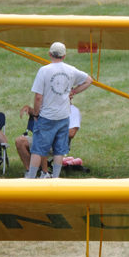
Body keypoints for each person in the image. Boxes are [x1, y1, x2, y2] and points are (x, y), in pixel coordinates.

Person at [25, 42, 91, 179]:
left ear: (49, 54)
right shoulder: (71, 70)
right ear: (64, 55)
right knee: (59, 150)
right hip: (63, 116)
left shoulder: (44, 70)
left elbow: (38, 97)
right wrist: (74, 91)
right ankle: (55, 178)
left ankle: (31, 178)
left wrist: (36, 114)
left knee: (38, 148)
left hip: (47, 116)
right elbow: (89, 80)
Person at [16, 101, 81, 171]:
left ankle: (44, 172)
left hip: (58, 144)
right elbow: (38, 114)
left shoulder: (73, 111)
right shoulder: (51, 106)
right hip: (43, 139)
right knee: (20, 141)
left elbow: (71, 133)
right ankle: (31, 173)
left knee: (42, 143)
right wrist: (29, 109)